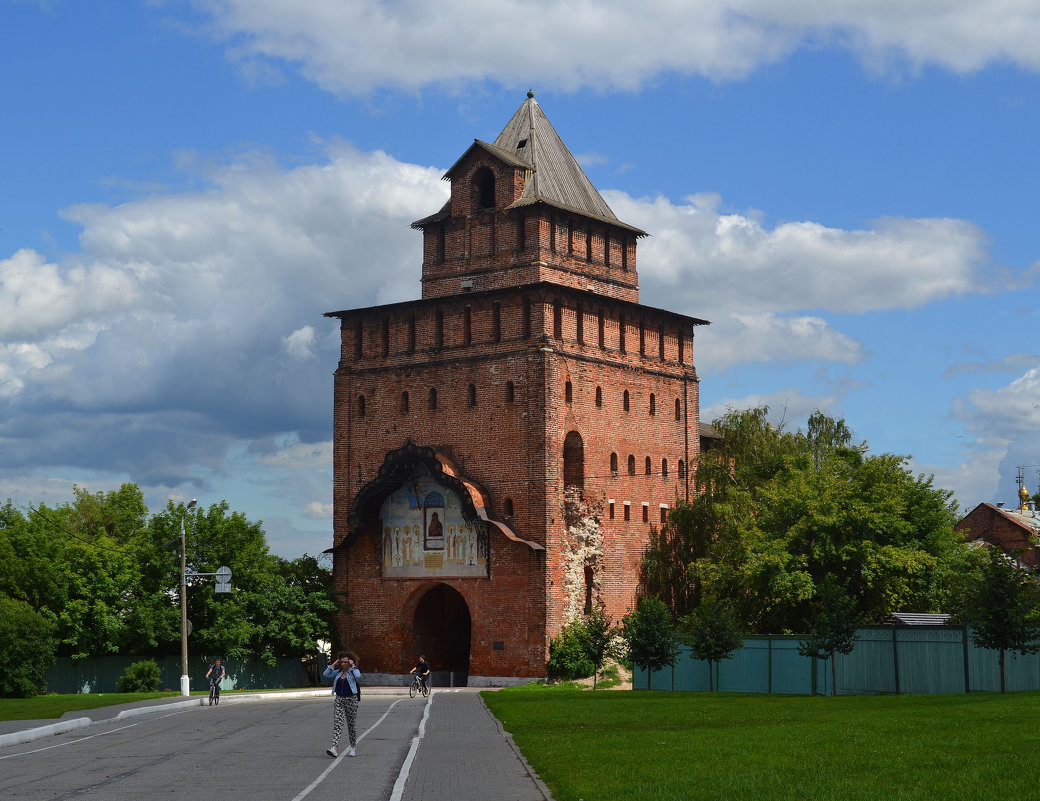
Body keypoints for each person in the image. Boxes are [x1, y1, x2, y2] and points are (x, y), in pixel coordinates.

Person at [324, 651, 361, 758]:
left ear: (349, 662)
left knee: (351, 725)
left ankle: (353, 747)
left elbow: (358, 676)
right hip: (339, 699)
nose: (343, 664)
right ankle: (334, 748)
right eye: (342, 662)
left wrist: (353, 665)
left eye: (345, 662)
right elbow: (326, 674)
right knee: (337, 724)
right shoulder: (338, 672)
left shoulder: (353, 672)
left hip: (351, 700)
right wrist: (334, 664)